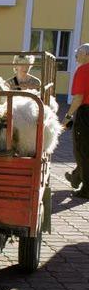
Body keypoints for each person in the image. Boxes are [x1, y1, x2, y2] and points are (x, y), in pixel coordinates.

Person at [63, 43, 89, 198]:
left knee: (82, 151)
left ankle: (86, 189)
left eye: (78, 53)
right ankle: (76, 177)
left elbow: (78, 98)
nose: (76, 56)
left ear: (86, 55)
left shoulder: (83, 70)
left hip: (86, 114)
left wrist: (68, 116)